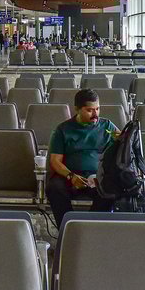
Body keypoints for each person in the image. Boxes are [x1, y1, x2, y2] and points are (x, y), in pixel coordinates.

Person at [47, 89, 119, 227]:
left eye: (97, 109)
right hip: (68, 176)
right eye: (90, 110)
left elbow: (122, 144)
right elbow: (55, 161)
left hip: (96, 176)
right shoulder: (63, 129)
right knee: (54, 188)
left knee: (110, 190)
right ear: (77, 109)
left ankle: (89, 227)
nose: (95, 114)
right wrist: (71, 176)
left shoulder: (107, 126)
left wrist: (121, 139)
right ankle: (68, 227)